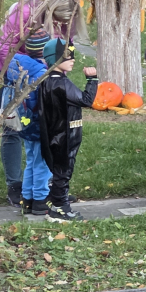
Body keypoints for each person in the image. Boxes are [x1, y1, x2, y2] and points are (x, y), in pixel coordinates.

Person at [0, 0, 84, 207]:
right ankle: (16, 185)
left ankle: (43, 187)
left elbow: (64, 46)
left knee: (44, 131)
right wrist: (36, 72)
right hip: (13, 71)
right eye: (58, 21)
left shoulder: (66, 17)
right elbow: (6, 51)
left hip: (42, 72)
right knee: (13, 128)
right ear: (49, 11)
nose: (62, 27)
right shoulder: (24, 14)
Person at [38, 39, 98, 222]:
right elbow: (86, 100)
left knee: (59, 171)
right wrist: (92, 79)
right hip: (64, 137)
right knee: (63, 172)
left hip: (54, 134)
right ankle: (60, 208)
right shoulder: (61, 84)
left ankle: (56, 199)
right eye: (67, 56)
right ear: (55, 59)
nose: (73, 60)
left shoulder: (48, 81)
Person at [4, 30, 52, 216]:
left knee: (31, 160)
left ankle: (27, 197)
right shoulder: (41, 73)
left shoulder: (18, 65)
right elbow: (42, 101)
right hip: (40, 123)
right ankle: (40, 199)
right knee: (44, 162)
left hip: (24, 123)